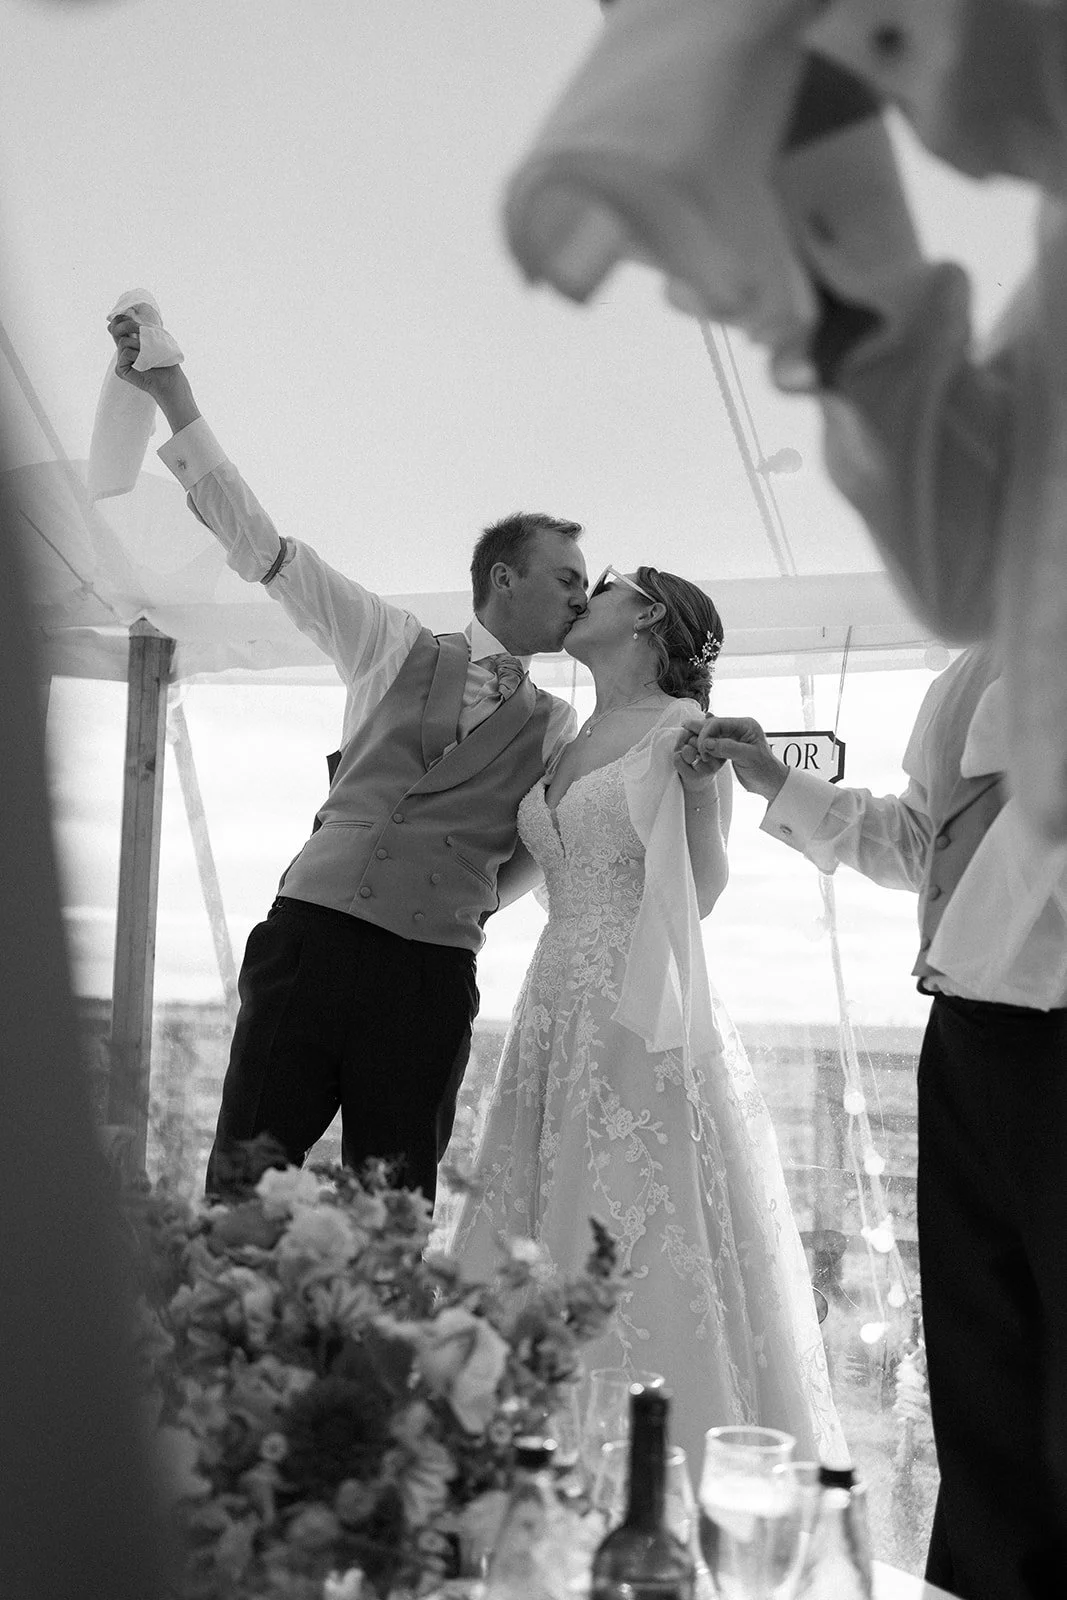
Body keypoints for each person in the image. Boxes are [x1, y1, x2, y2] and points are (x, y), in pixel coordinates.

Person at [107, 314, 589, 1204]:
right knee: (242, 1193)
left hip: (429, 980)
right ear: (504, 577)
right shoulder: (390, 641)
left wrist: (462, 899)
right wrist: (174, 394)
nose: (579, 596)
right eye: (566, 577)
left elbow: (536, 852)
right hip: (311, 942)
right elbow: (266, 550)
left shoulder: (559, 724)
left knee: (393, 1214)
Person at [687, 644, 1067, 1600]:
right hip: (967, 1039)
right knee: (980, 1367)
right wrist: (776, 779)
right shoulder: (966, 672)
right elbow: (915, 843)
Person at [447, 564, 843, 1475]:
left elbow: (701, 891)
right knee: (534, 1226)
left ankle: (640, 1472)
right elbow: (534, 868)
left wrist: (699, 790)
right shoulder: (564, 736)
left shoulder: (682, 730)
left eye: (609, 584)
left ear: (648, 616)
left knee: (625, 1226)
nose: (585, 594)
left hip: (636, 1012)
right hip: (550, 1005)